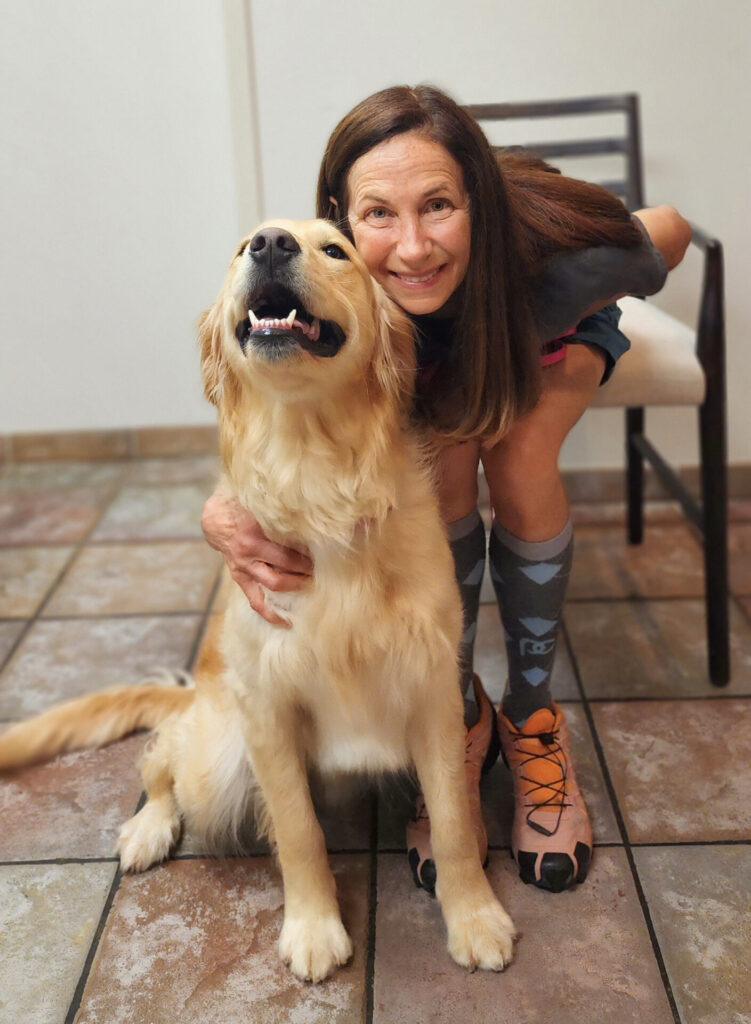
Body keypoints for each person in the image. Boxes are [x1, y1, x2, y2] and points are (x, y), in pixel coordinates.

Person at [202, 85, 691, 895]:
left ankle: (531, 717)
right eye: (379, 214)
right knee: (444, 458)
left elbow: (667, 229)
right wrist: (224, 511)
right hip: (428, 346)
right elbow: (267, 408)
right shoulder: (326, 261)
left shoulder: (548, 256)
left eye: (438, 206)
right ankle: (455, 712)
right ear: (341, 213)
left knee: (521, 454)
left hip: (539, 324)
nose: (412, 244)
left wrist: (560, 299)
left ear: (476, 202)